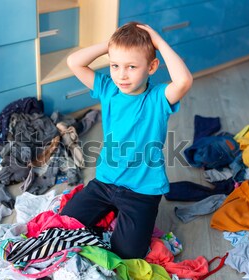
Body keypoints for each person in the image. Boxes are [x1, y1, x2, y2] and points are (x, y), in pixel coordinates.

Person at [60, 22, 193, 259]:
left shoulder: (157, 98)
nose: (122, 74)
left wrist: (158, 41)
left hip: (142, 190)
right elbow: (74, 62)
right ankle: (110, 214)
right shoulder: (108, 89)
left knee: (128, 254)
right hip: (106, 181)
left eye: (131, 66)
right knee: (64, 223)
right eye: (115, 65)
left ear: (152, 66)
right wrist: (111, 45)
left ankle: (119, 220)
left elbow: (183, 81)